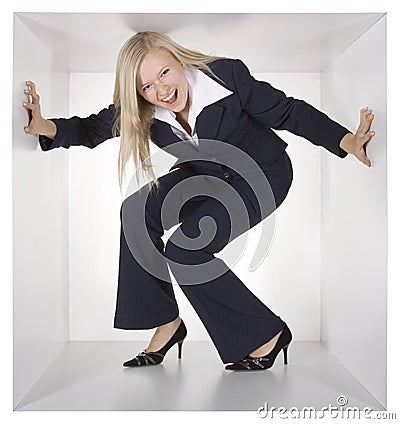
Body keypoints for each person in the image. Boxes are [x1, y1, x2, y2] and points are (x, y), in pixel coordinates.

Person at [23, 31, 375, 371]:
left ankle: (267, 334)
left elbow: (287, 111)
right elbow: (91, 128)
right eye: (146, 86)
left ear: (178, 60)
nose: (161, 90)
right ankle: (166, 323)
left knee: (185, 249)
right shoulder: (143, 109)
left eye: (164, 73)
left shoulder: (226, 76)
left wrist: (344, 140)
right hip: (204, 174)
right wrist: (44, 125)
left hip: (260, 174)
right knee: (136, 209)